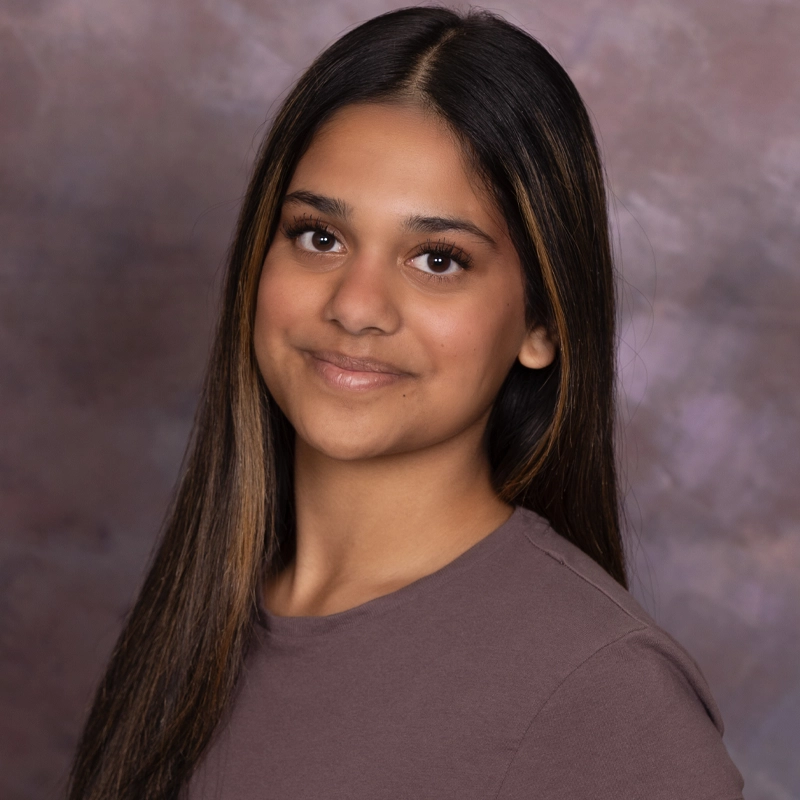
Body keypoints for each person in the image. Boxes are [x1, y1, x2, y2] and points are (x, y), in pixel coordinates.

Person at [67, 6, 745, 799]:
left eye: (438, 258)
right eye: (319, 236)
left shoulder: (606, 696)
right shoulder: (191, 625)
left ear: (543, 322)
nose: (357, 307)